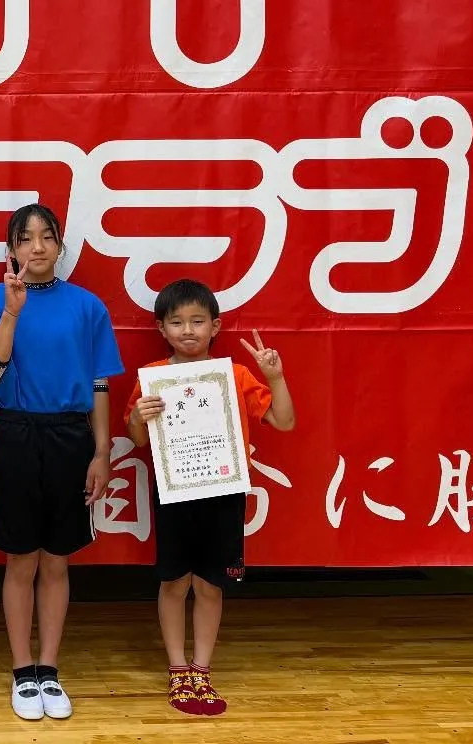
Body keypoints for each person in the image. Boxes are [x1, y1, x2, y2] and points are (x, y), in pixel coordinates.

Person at [0, 203, 122, 721]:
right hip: (16, 433)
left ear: (59, 245)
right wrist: (12, 312)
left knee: (56, 559)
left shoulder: (87, 306)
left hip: (71, 437)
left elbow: (99, 384)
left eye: (47, 236)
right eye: (26, 237)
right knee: (21, 558)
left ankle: (49, 669)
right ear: (11, 248)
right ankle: (22, 671)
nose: (37, 246)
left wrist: (101, 452)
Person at [125, 278, 296, 716]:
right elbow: (137, 437)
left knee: (210, 584)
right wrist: (140, 416)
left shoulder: (234, 376)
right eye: (177, 322)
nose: (188, 330)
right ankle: (177, 668)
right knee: (174, 582)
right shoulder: (152, 378)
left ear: (215, 326)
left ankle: (201, 669)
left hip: (222, 494)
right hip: (175, 493)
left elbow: (284, 421)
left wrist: (274, 377)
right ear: (162, 328)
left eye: (198, 321)